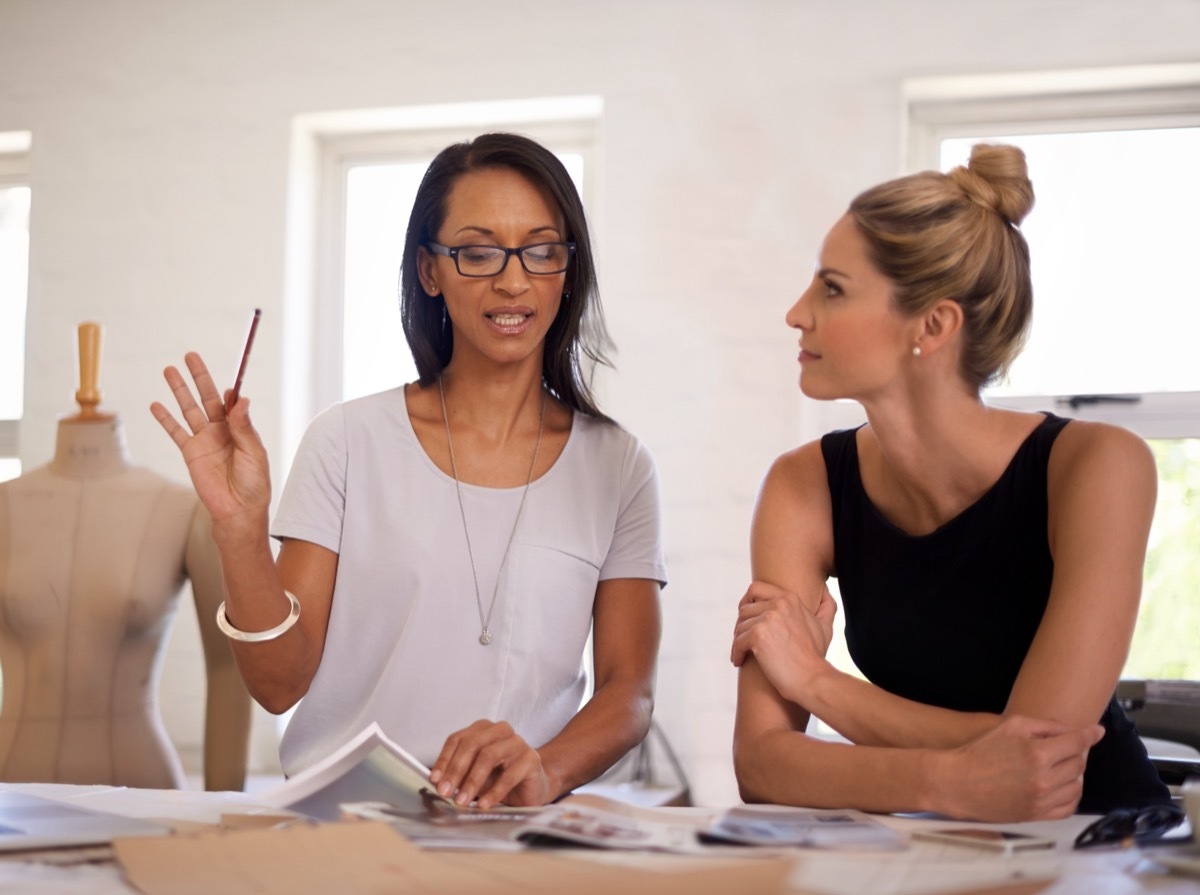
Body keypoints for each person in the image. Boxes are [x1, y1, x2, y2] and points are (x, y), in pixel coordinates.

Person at [152, 133, 666, 810]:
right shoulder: (347, 441)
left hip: (513, 834)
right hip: (347, 829)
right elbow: (278, 685)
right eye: (478, 252)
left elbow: (629, 692)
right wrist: (240, 532)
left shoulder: (618, 466)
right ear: (429, 270)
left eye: (542, 250)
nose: (514, 282)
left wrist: (544, 769)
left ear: (567, 268)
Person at [731, 144, 1169, 821]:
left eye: (832, 288)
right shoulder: (802, 484)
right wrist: (951, 782)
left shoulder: (1098, 465)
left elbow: (1046, 758)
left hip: (1101, 842)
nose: (797, 312)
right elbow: (762, 764)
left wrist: (816, 682)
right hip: (928, 847)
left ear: (933, 325)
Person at [0, 325, 250, 791]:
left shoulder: (182, 509)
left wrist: (225, 812)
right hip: (11, 793)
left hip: (140, 792)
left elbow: (228, 668)